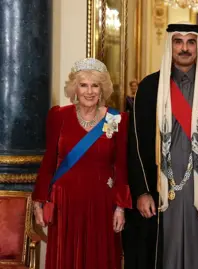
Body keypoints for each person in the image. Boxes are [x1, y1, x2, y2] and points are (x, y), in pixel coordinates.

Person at [123, 23, 198, 269]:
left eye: (191, 42)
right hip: (163, 187)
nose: (184, 48)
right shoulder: (150, 88)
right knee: (164, 254)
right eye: (178, 41)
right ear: (169, 45)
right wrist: (142, 191)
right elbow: (136, 145)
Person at [32, 58, 132, 269]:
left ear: (102, 89)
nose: (89, 91)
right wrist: (38, 201)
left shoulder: (116, 119)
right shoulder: (58, 115)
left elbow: (121, 165)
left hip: (102, 204)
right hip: (65, 203)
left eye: (95, 85)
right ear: (74, 88)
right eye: (83, 85)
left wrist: (120, 207)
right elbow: (49, 160)